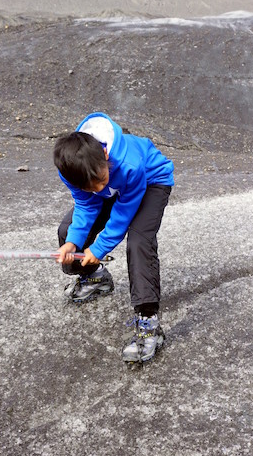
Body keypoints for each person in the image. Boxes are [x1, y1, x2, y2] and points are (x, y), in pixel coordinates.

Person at [53, 112, 175, 364]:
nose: (96, 189)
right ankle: (95, 277)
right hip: (116, 186)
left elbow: (122, 215)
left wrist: (98, 248)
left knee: (140, 242)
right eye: (90, 186)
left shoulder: (129, 162)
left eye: (99, 181)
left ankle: (149, 324)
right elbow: (87, 205)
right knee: (68, 231)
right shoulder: (73, 171)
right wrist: (73, 243)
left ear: (106, 156)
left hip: (151, 182)